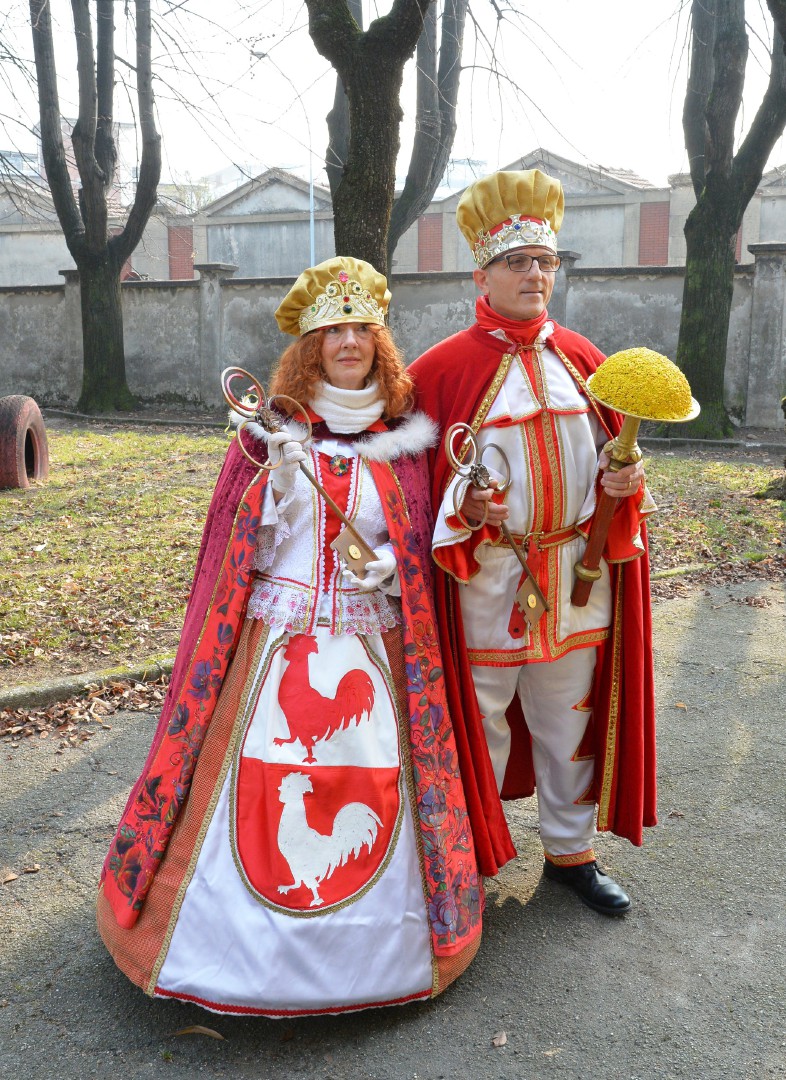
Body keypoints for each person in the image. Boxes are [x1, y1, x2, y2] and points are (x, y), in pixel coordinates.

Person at [96, 256, 482, 1016]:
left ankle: (384, 956)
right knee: (257, 782)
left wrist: (395, 576)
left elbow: (425, 540)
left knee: (373, 783)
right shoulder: (263, 433)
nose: (347, 342)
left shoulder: (407, 443)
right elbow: (233, 556)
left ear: (379, 342)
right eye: (331, 330)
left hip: (375, 650)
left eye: (360, 329)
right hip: (274, 644)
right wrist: (272, 484)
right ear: (309, 347)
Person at [408, 169, 657, 917]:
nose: (534, 275)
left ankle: (571, 853)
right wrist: (465, 502)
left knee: (570, 720)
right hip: (485, 581)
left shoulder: (587, 361)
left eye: (544, 262)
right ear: (481, 273)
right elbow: (410, 491)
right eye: (517, 263)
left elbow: (619, 461)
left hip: (580, 577)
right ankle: (466, 862)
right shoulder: (438, 371)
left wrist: (626, 486)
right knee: (475, 722)